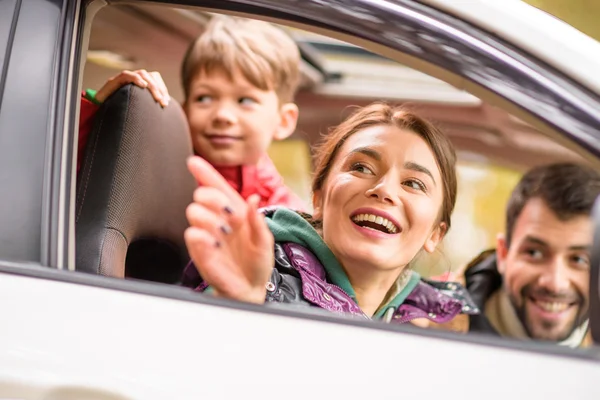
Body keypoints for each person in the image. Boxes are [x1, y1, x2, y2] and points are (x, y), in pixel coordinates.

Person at [181, 103, 476, 323]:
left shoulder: (434, 319)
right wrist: (239, 303)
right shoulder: (259, 278)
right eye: (360, 167)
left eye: (413, 183)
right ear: (318, 198)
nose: (384, 189)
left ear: (436, 234)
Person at [77, 15, 306, 210]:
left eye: (245, 100)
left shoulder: (286, 211)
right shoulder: (156, 173)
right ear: (185, 111)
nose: (222, 115)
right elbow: (80, 180)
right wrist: (100, 112)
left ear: (283, 121)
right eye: (204, 98)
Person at [463, 163, 600, 347]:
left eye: (579, 259)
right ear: (503, 254)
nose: (555, 284)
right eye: (534, 253)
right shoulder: (431, 327)